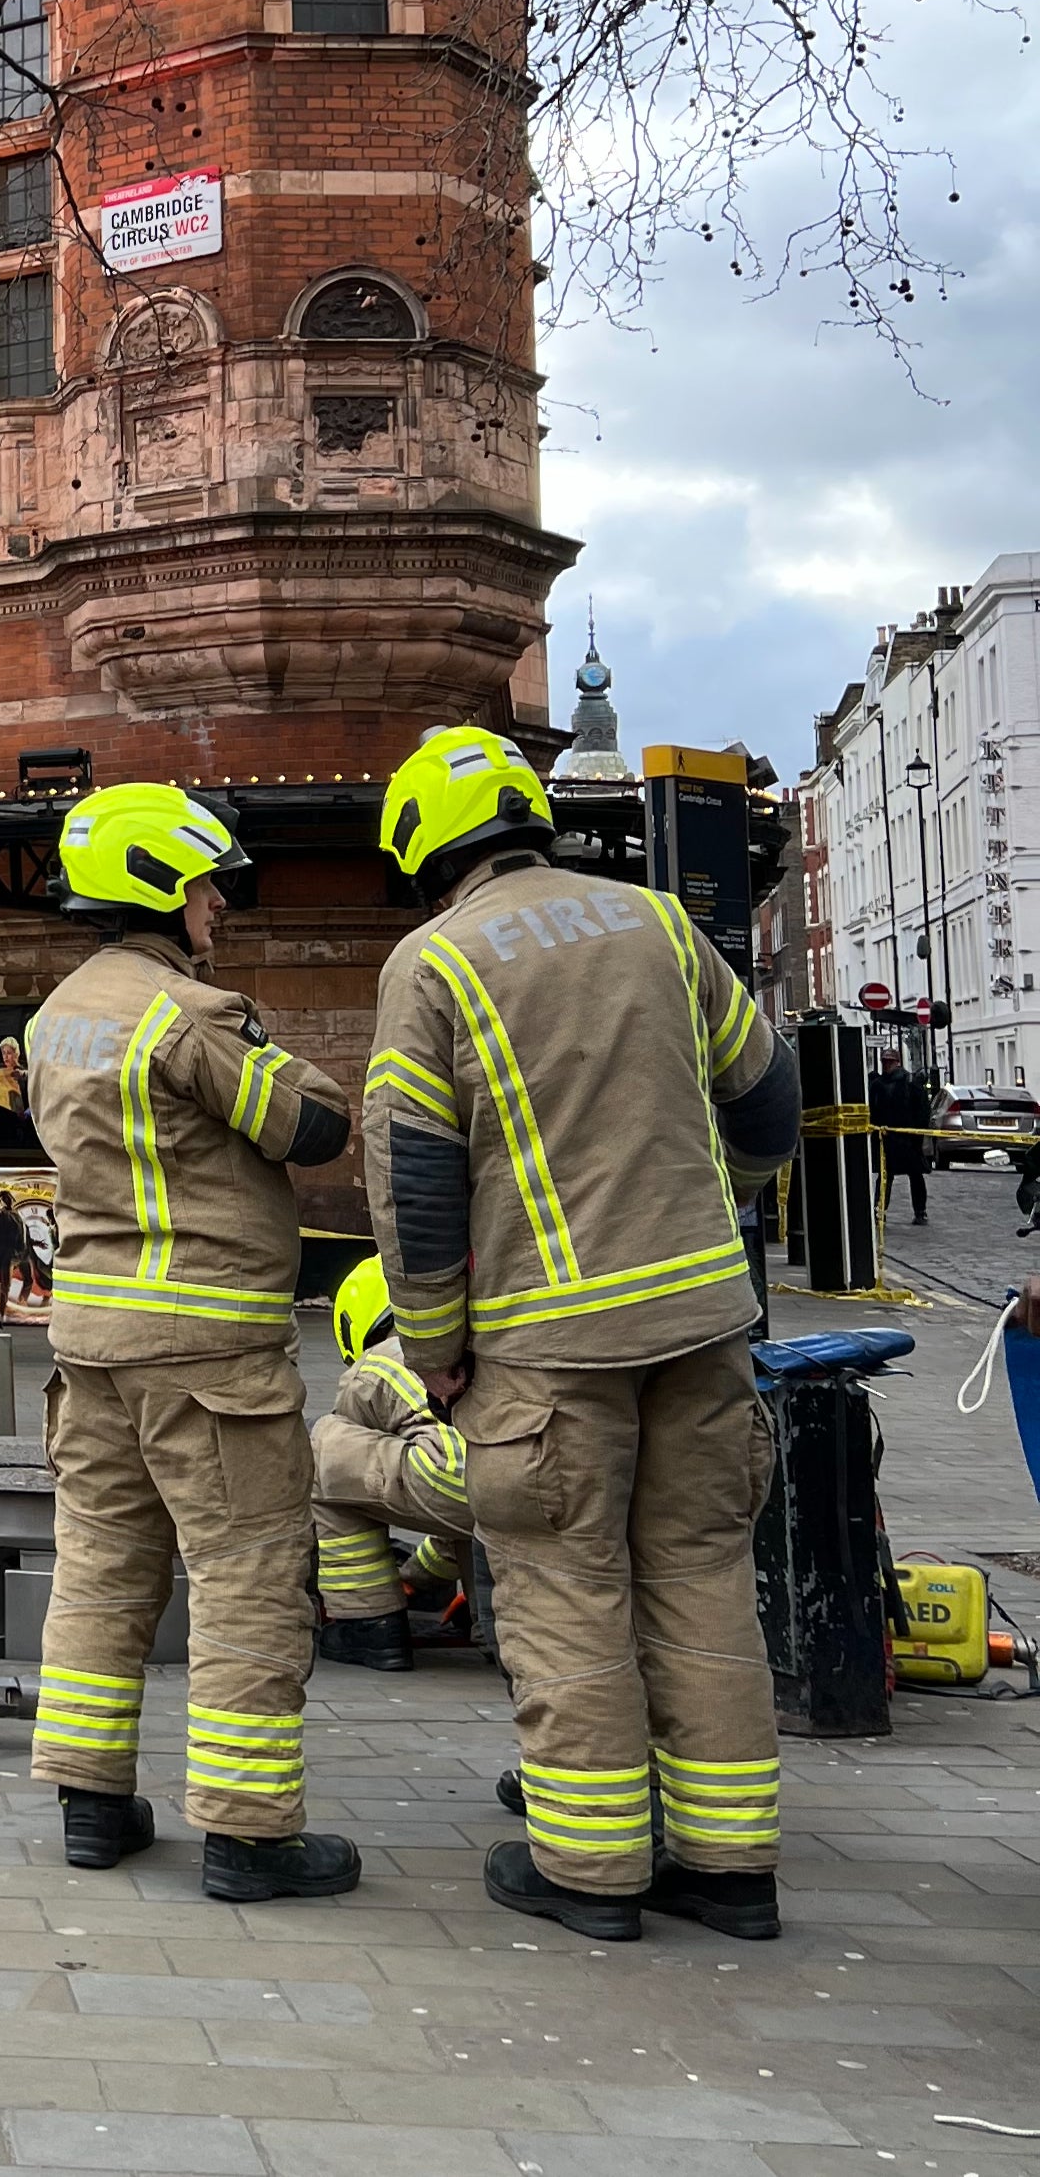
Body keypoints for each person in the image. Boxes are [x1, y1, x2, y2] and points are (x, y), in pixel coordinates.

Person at [364, 725, 800, 1942]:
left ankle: (593, 1871)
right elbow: (765, 1100)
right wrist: (725, 1214)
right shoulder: (658, 924)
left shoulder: (435, 964)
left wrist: (434, 1346)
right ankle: (730, 1867)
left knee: (566, 1593)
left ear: (421, 849)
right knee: (704, 1578)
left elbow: (417, 1174)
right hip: (706, 1323)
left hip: (547, 1348)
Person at [20, 782, 359, 1902]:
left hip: (91, 1342)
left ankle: (91, 1804)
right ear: (161, 883)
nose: (220, 904)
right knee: (246, 1576)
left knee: (104, 1568)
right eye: (209, 881)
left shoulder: (54, 1015)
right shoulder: (189, 1013)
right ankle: (248, 1835)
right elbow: (309, 1127)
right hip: (207, 1345)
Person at [309, 1257, 476, 1672]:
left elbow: (342, 1483)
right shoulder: (480, 1339)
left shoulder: (376, 1364)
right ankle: (492, 1619)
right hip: (524, 1480)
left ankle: (368, 1624)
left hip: (463, 1489)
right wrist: (417, 1576)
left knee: (320, 1450)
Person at [870, 1056, 932, 1226]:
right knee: (885, 1177)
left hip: (908, 1139)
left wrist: (917, 1134)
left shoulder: (910, 1082)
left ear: (897, 1062)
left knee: (915, 1176)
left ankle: (920, 1212)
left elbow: (922, 1110)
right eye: (884, 1062)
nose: (887, 1065)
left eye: (890, 1062)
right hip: (887, 1139)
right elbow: (873, 1111)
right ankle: (879, 1212)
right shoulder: (878, 1084)